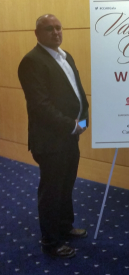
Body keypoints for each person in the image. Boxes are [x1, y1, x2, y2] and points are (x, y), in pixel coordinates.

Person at [18, 14, 89, 258]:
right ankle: (51, 241)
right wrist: (71, 125)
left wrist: (83, 118)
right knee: (51, 190)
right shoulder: (31, 61)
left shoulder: (65, 55)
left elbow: (77, 91)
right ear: (37, 33)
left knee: (67, 185)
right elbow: (41, 105)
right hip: (50, 140)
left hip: (70, 136)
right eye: (49, 29)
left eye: (59, 28)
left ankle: (65, 227)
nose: (56, 32)